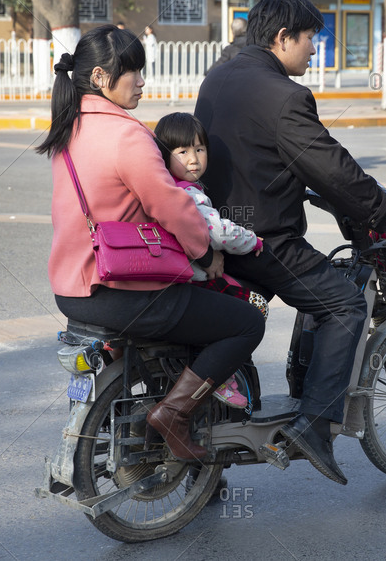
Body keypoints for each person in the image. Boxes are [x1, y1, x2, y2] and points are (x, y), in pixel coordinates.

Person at [195, 0, 386, 485]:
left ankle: (202, 466)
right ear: (282, 38)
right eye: (310, 39)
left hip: (214, 233)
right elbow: (332, 165)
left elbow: (270, 155)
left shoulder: (221, 76)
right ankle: (314, 427)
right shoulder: (284, 95)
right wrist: (383, 206)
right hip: (262, 241)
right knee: (343, 305)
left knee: (235, 330)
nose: (314, 50)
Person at [36, 25, 265, 462]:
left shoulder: (68, 128)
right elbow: (172, 206)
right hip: (121, 292)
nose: (142, 81)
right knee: (246, 322)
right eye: (134, 72)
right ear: (102, 78)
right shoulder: (127, 135)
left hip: (72, 292)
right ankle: (174, 414)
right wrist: (206, 251)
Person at [154, 111, 267, 408]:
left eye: (199, 149)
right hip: (195, 281)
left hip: (172, 278)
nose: (194, 159)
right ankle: (219, 376)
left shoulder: (164, 190)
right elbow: (218, 233)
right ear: (165, 156)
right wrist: (251, 240)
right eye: (183, 151)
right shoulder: (190, 196)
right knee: (256, 306)